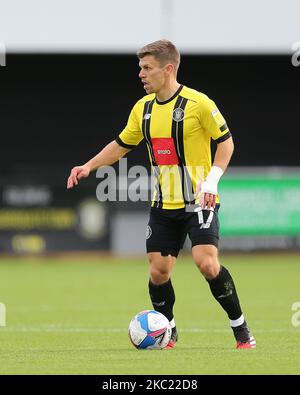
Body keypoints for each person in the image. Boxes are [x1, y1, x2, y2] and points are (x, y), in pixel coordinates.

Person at [67, 39, 256, 350]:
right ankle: (168, 331)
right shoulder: (142, 109)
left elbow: (226, 144)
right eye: (140, 68)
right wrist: (88, 166)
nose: (141, 74)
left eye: (146, 68)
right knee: (158, 271)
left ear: (168, 69)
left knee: (206, 263)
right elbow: (121, 144)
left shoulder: (199, 104)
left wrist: (212, 180)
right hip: (163, 204)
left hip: (199, 200)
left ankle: (241, 330)